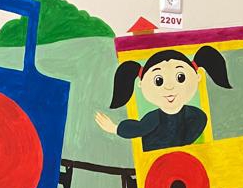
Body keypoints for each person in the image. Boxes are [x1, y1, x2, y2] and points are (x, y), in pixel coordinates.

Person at [95, 45, 231, 151]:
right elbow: (139, 128)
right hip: (154, 163)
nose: (170, 87)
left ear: (197, 77)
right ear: (141, 84)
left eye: (180, 77)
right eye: (158, 80)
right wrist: (115, 128)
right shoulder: (153, 118)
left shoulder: (197, 116)